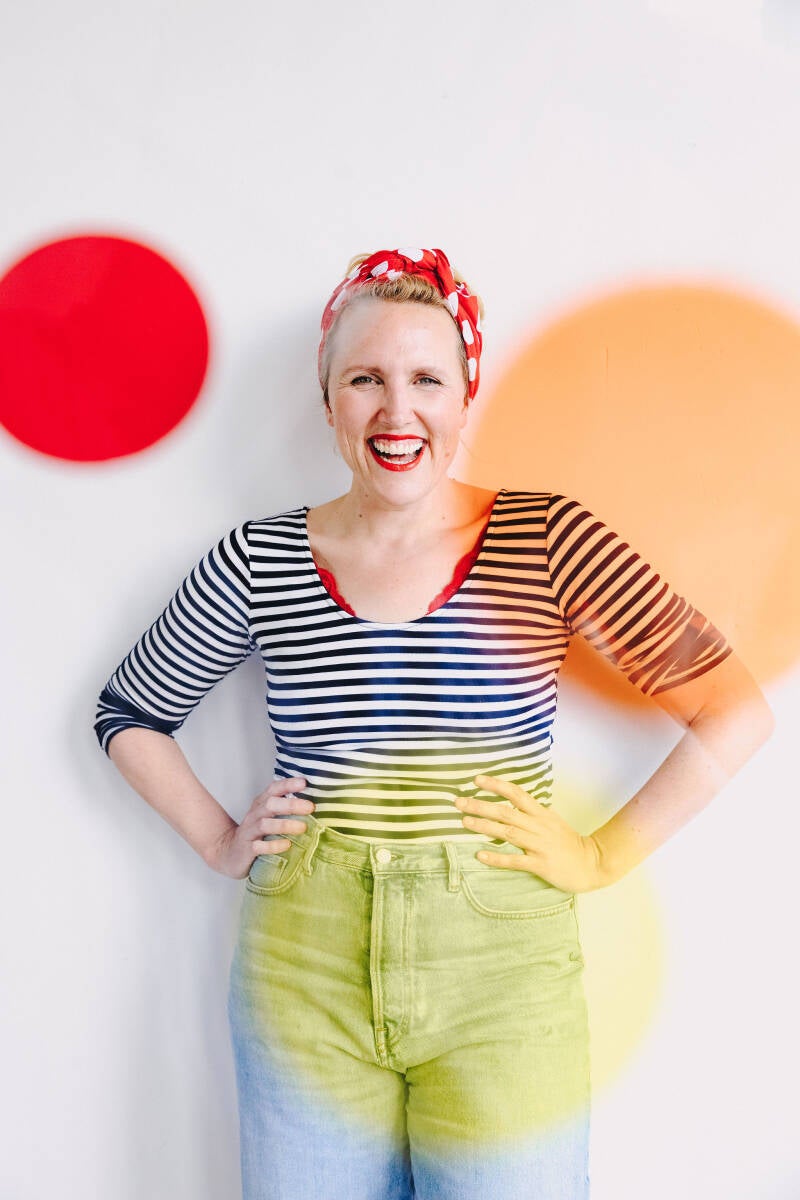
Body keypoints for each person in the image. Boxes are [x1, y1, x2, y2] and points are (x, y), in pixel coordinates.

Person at [94, 246, 774, 1200]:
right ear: (327, 400)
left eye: (426, 380)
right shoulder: (261, 557)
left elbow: (731, 707)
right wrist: (218, 838)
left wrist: (600, 857)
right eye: (364, 379)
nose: (396, 411)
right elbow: (129, 712)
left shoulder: (548, 539)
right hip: (304, 967)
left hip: (502, 973)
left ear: (465, 396)